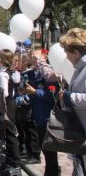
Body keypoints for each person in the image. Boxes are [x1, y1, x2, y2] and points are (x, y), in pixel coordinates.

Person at [26, 47, 61, 176]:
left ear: (44, 58)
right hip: (38, 114)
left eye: (36, 58)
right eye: (32, 58)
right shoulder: (35, 73)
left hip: (47, 115)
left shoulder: (49, 73)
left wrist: (35, 92)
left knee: (49, 148)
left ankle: (53, 172)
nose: (34, 61)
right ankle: (51, 170)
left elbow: (51, 95)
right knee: (44, 147)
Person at [59, 27, 86, 175]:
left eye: (66, 52)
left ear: (76, 53)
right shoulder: (80, 69)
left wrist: (69, 97)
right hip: (79, 131)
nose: (66, 56)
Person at [0, 49, 22, 176]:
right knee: (9, 132)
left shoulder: (3, 73)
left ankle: (15, 164)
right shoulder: (11, 71)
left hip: (6, 103)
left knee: (10, 133)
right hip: (11, 103)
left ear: (1, 59)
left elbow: (4, 92)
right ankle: (10, 161)